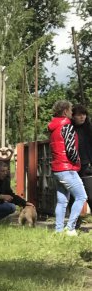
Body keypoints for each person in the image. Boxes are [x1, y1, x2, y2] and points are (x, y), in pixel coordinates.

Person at [47, 99, 88, 235]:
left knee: (62, 201)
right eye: (71, 110)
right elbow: (70, 149)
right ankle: (70, 228)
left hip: (57, 169)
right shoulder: (67, 126)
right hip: (67, 168)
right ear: (65, 111)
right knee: (82, 197)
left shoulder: (54, 127)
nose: (72, 113)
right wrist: (77, 161)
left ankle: (58, 231)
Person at [72, 103, 92, 207]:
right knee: (74, 197)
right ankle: (75, 222)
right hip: (72, 167)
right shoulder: (69, 129)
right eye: (79, 114)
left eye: (84, 114)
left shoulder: (88, 128)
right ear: (73, 116)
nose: (82, 117)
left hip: (86, 166)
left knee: (90, 195)